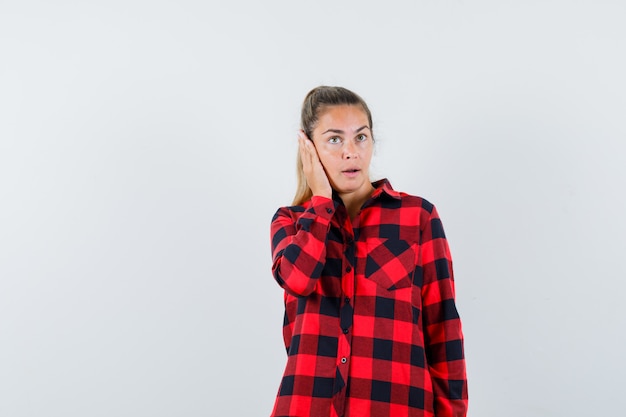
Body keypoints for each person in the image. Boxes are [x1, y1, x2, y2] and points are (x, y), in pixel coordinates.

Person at [269, 86, 468, 417]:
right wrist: (319, 202)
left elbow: (443, 328)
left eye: (360, 137)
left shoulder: (417, 217)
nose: (351, 152)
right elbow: (298, 280)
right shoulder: (291, 222)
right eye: (334, 139)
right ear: (309, 148)